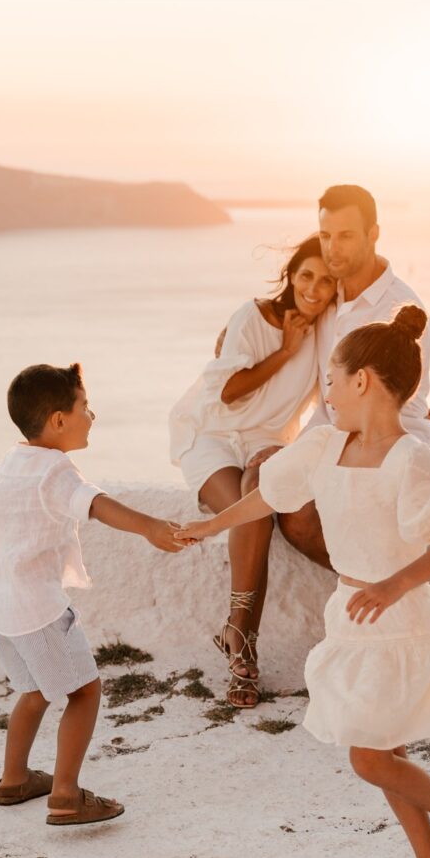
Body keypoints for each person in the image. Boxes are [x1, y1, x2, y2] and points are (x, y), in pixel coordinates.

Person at [175, 305, 430, 858]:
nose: (326, 396)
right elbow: (268, 494)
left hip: (398, 623)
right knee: (385, 754)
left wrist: (395, 585)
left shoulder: (410, 459)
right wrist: (210, 524)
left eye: (330, 382)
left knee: (369, 755)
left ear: (363, 381)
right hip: (351, 619)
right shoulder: (326, 445)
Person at [0, 362, 182, 826]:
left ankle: (14, 780)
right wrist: (150, 527)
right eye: (85, 407)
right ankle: (66, 795)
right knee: (84, 691)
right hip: (39, 608)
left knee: (33, 690)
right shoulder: (56, 471)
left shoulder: (5, 464)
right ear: (58, 420)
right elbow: (97, 505)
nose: (92, 415)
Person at [169, 236, 336, 708]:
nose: (314, 287)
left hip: (267, 440)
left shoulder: (327, 328)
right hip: (215, 434)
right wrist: (285, 351)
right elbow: (227, 394)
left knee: (259, 492)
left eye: (326, 280)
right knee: (253, 514)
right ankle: (244, 640)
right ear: (291, 275)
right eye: (306, 275)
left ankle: (236, 634)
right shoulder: (252, 316)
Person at [248, 185, 430, 572]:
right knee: (260, 475)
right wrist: (234, 336)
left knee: (295, 510)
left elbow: (397, 412)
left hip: (385, 446)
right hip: (333, 438)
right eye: (325, 235)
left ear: (373, 235)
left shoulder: (398, 309)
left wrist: (306, 456)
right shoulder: (326, 295)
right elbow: (274, 312)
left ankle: (385, 592)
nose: (333, 248)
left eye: (346, 236)